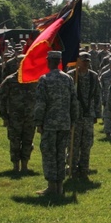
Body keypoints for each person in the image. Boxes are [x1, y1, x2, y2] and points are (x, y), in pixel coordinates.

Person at [34, 51, 79, 196]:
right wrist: (73, 120)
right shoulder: (68, 79)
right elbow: (74, 102)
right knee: (61, 155)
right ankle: (59, 187)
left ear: (49, 62)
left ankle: (51, 187)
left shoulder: (45, 79)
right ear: (59, 62)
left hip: (50, 124)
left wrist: (38, 122)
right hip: (65, 123)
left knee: (49, 154)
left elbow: (41, 103)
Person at [0, 56, 36, 172]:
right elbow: (1, 98)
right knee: (15, 141)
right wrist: (4, 115)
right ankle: (15, 165)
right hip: (14, 117)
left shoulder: (34, 79)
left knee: (28, 141)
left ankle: (25, 165)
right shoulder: (10, 80)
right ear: (17, 64)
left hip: (30, 117)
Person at [68, 52, 102, 177]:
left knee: (87, 143)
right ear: (78, 62)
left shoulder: (93, 76)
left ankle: (84, 168)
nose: (86, 63)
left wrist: (97, 114)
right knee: (73, 144)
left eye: (87, 61)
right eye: (83, 61)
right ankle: (72, 168)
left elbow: (98, 95)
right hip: (75, 115)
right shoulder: (71, 76)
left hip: (88, 115)